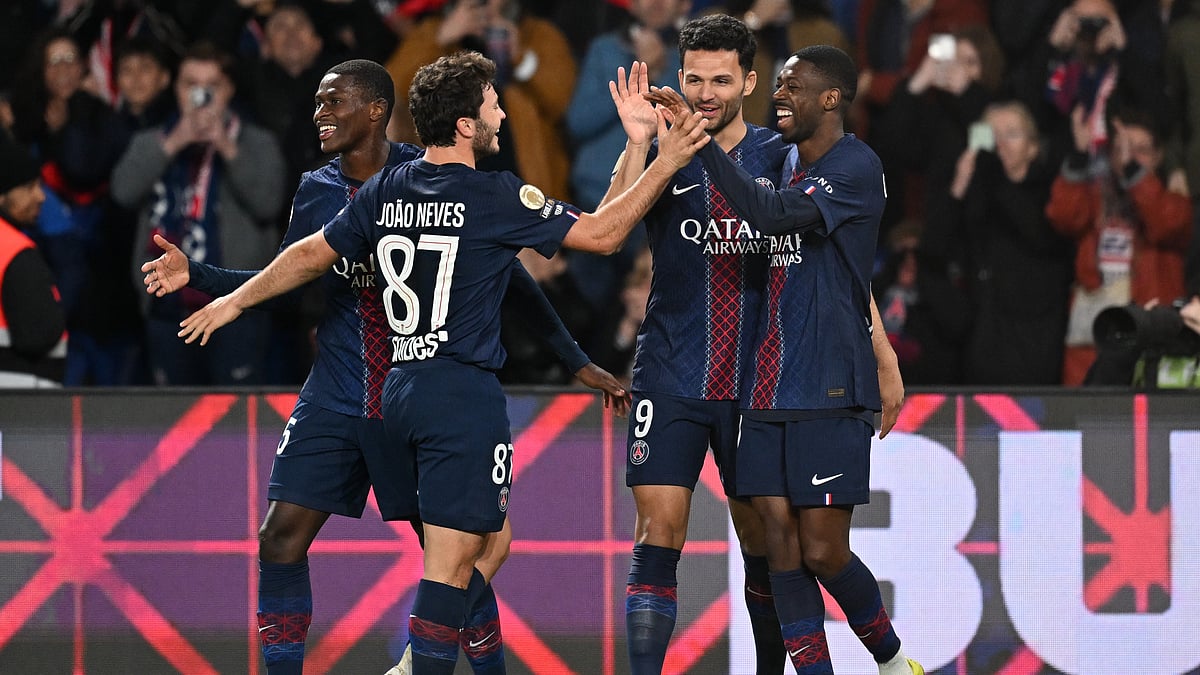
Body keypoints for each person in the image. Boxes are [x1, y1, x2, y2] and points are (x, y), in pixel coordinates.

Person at [171, 51, 710, 674]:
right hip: (460, 395)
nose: (502, 112)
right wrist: (667, 159)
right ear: (464, 125)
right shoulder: (493, 194)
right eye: (492, 104)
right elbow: (604, 235)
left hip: (398, 386)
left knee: (470, 553)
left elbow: (311, 256)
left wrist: (230, 298)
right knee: (456, 566)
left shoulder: (387, 189)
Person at [610, 17, 904, 674]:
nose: (706, 94)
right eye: (693, 79)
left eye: (721, 80)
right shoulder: (664, 148)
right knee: (659, 532)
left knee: (768, 545)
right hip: (672, 370)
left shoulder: (787, 154)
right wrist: (637, 147)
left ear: (748, 80)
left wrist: (880, 352)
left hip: (757, 381)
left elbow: (841, 263)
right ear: (678, 79)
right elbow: (608, 229)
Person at [111, 41, 286, 386]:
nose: (200, 95)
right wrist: (174, 142)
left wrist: (226, 146)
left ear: (229, 90)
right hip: (167, 308)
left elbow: (268, 202)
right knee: (174, 422)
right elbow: (123, 192)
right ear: (176, 87)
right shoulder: (153, 140)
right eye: (191, 84)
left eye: (212, 86)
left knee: (236, 420)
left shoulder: (256, 142)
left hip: (236, 307)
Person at [0, 136, 66, 388]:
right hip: (21, 400)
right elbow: (39, 334)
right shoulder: (14, 250)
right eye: (28, 187)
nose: (41, 196)